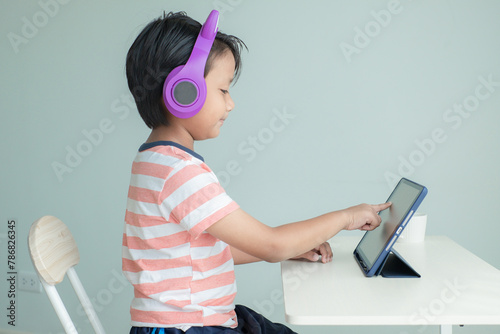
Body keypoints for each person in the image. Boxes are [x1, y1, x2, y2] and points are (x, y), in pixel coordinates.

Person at [122, 10, 391, 334]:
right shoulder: (180, 173)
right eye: (223, 90)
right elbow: (271, 244)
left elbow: (199, 253)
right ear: (183, 92)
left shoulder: (156, 161)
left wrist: (295, 246)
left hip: (193, 322)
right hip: (187, 329)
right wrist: (345, 218)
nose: (231, 103)